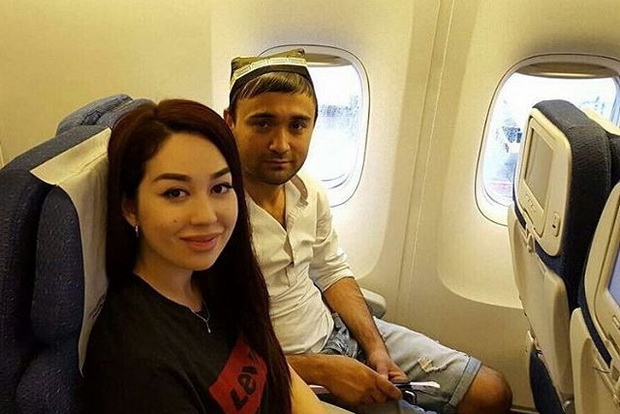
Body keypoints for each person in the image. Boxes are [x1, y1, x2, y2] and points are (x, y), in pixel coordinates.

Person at [224, 49, 513, 414]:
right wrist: (323, 370)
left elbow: (332, 272)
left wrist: (376, 348)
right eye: (263, 124)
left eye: (297, 125)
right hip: (287, 371)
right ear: (230, 122)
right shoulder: (218, 216)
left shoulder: (308, 190)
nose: (281, 144)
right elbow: (212, 347)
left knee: (492, 391)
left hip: (337, 331)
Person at [83, 99, 329, 414]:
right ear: (130, 207)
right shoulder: (137, 362)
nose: (206, 216)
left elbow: (277, 369)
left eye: (220, 187)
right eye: (175, 193)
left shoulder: (215, 278)